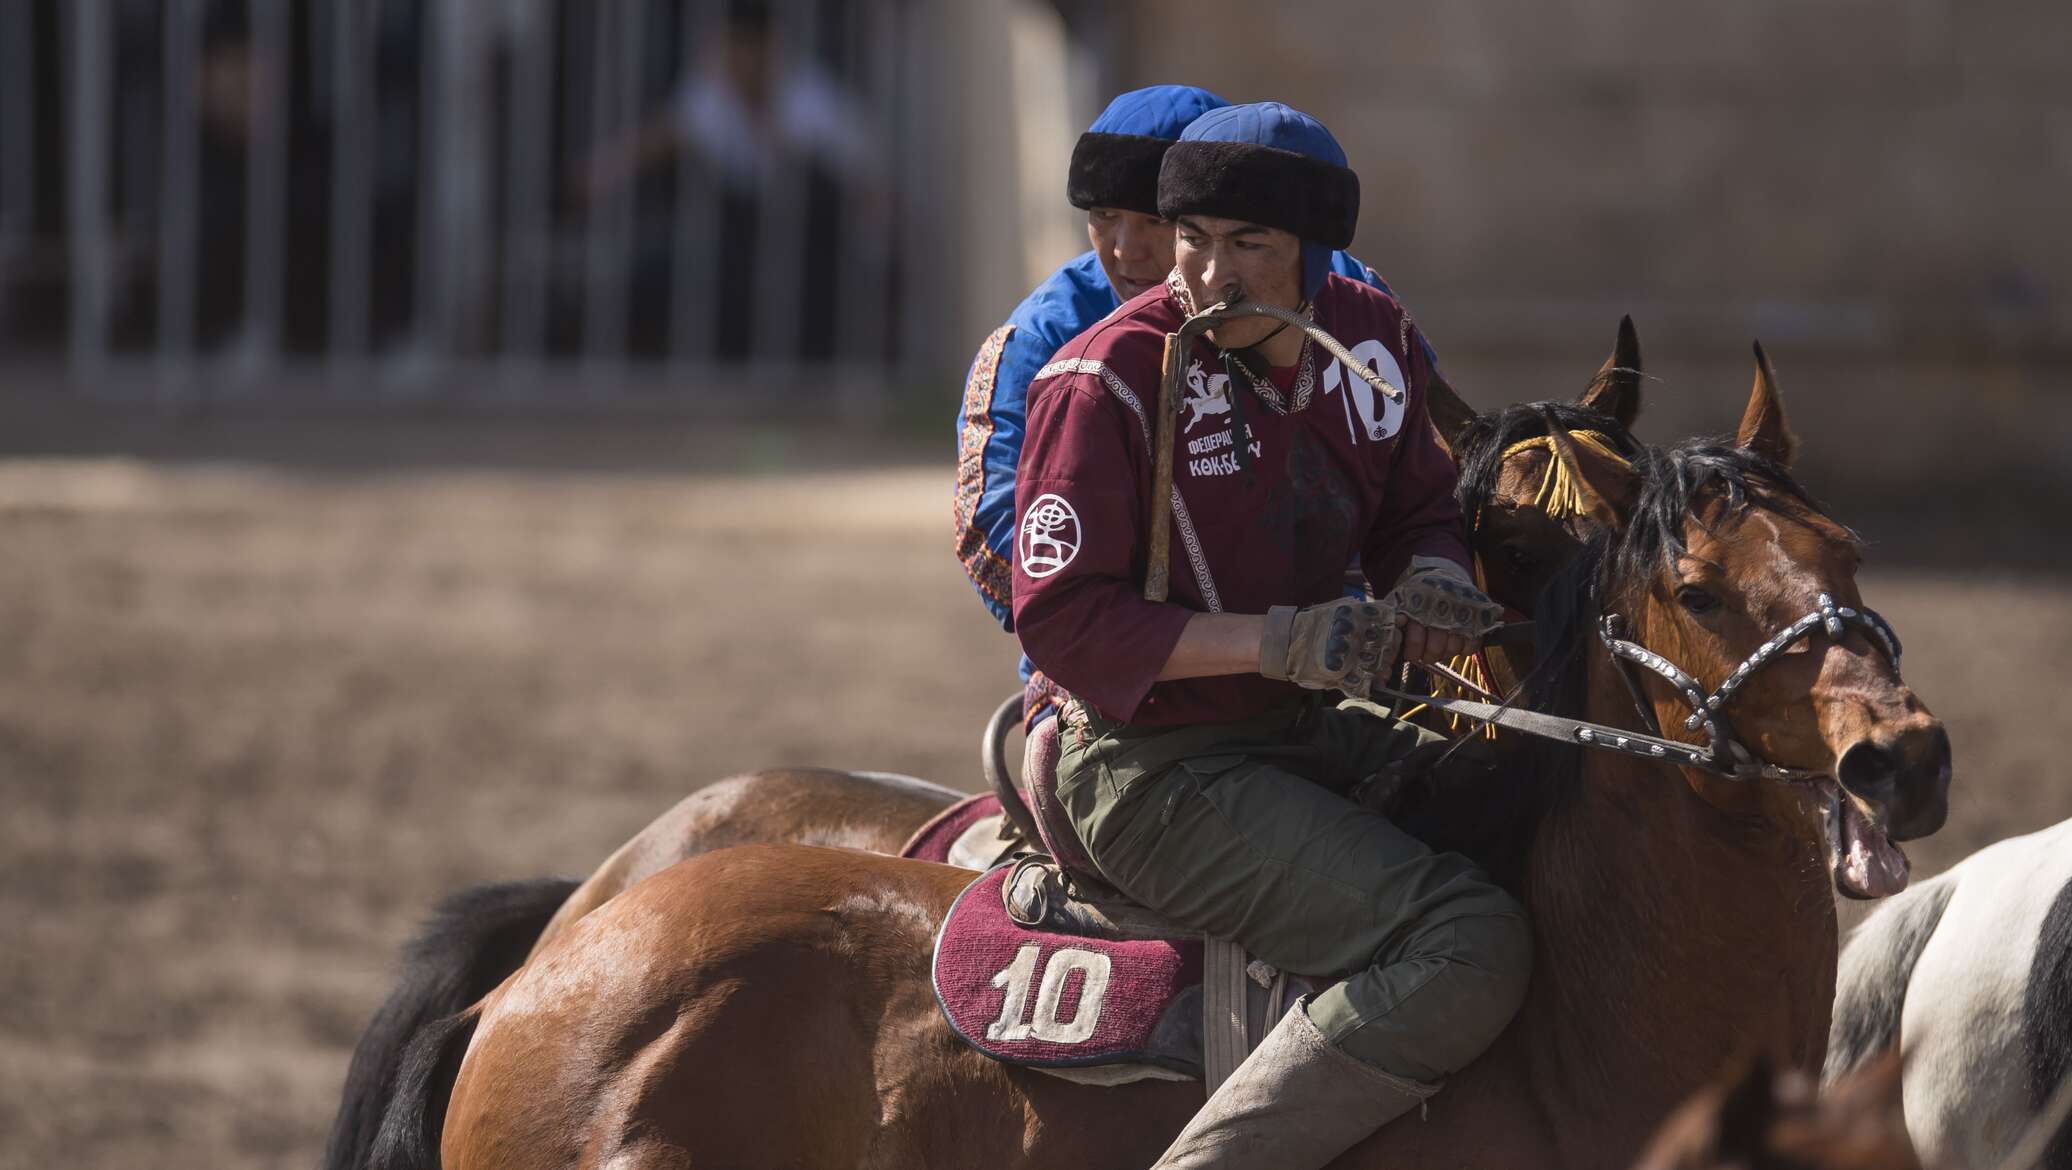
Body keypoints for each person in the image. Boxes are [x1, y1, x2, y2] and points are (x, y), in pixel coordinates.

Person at [1011, 103, 1532, 1168]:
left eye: (1248, 244)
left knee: (1542, 810)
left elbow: (1416, 510)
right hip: (1148, 767)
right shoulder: (1101, 380)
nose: (1208, 274)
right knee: (1467, 942)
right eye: (1193, 240)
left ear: (1313, 256)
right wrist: (1276, 642)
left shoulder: (1373, 341)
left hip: (1303, 727)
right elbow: (1061, 618)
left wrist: (1432, 580)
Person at [954, 86, 1424, 727]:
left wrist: (1378, 605)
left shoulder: (1347, 301)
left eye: (1155, 221)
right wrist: (1252, 627)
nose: (1125, 248)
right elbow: (1004, 548)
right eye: (1102, 216)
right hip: (1127, 705)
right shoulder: (1047, 344)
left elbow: (1424, 475)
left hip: (1342, 673)